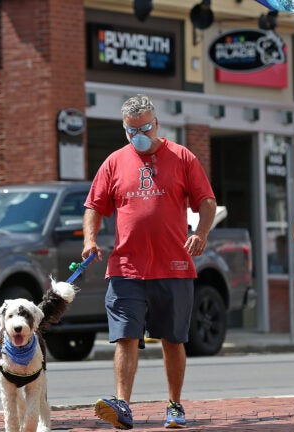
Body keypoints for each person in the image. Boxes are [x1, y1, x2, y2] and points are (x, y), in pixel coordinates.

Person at [82, 94, 217, 429]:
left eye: (143, 127)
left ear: (156, 123)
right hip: (126, 267)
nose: (137, 134)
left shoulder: (182, 157)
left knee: (173, 340)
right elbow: (94, 207)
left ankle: (174, 405)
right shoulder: (114, 162)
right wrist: (89, 239)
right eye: (130, 130)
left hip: (173, 267)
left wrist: (200, 233)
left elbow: (207, 201)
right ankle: (123, 406)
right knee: (126, 337)